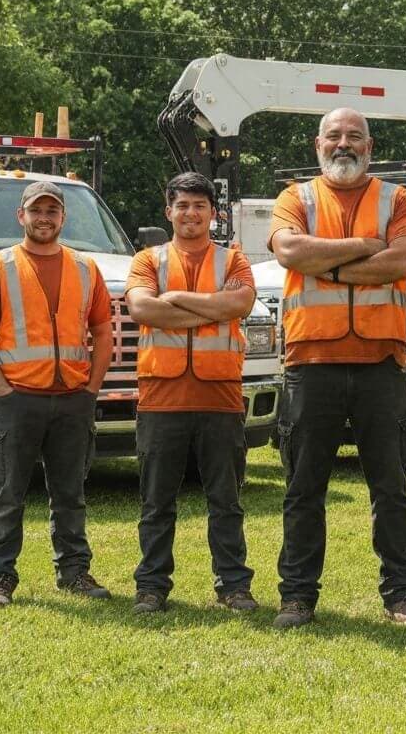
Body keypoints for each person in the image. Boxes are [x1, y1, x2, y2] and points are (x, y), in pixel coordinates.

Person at [269, 107, 406, 629]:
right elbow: (290, 250)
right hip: (311, 362)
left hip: (380, 363)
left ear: (369, 146)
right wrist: (363, 248)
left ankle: (402, 596)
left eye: (354, 136)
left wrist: (327, 266)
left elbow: (404, 260)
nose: (344, 144)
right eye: (334, 136)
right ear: (318, 145)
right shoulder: (295, 198)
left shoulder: (398, 199)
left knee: (392, 488)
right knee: (303, 489)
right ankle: (297, 597)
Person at [0, 180, 113, 608]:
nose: (44, 218)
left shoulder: (86, 268)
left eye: (52, 211)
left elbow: (104, 332)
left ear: (63, 217)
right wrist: (2, 389)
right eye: (36, 210)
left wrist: (91, 388)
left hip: (72, 399)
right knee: (6, 496)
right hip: (16, 401)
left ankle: (74, 572)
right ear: (21, 216)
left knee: (70, 495)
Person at [126, 172, 258, 615]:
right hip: (161, 396)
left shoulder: (234, 260)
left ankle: (233, 586)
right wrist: (211, 309)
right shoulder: (147, 260)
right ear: (169, 211)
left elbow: (238, 305)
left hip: (220, 396)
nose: (191, 213)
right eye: (182, 205)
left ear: (212, 213)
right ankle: (151, 586)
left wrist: (176, 298)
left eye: (200, 205)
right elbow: (141, 308)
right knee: (156, 502)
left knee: (226, 501)